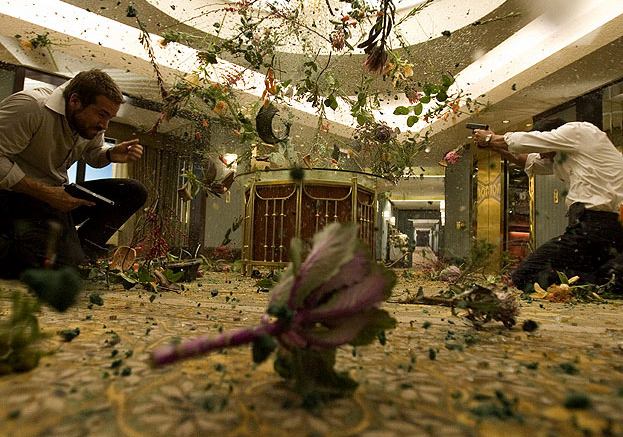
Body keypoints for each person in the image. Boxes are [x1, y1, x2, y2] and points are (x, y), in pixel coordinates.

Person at [0, 69, 148, 278]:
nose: (104, 125)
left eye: (110, 117)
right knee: (62, 272)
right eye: (101, 115)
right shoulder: (31, 106)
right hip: (17, 197)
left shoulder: (90, 125)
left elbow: (93, 153)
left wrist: (110, 154)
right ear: (75, 101)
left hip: (57, 198)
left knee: (133, 191)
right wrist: (45, 193)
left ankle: (80, 256)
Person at [473, 118, 623, 292]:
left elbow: (525, 142)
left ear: (552, 138)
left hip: (594, 226)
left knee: (526, 274)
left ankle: (609, 282)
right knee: (592, 272)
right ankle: (609, 278)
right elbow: (531, 162)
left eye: (541, 149)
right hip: (608, 228)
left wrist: (490, 139)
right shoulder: (575, 155)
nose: (540, 155)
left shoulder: (577, 130)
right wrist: (495, 147)